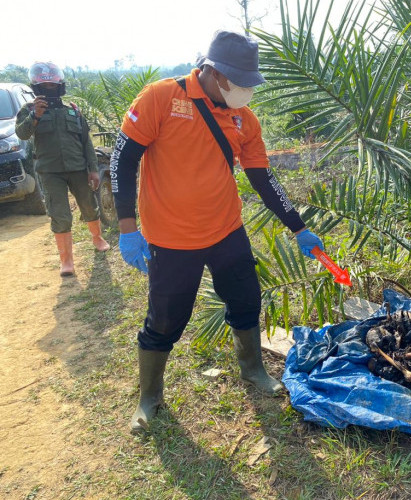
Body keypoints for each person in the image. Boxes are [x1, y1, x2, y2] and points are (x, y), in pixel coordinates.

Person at [110, 30, 325, 433]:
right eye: (240, 83)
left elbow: (262, 177)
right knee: (165, 318)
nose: (246, 91)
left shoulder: (244, 117)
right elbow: (123, 162)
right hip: (170, 237)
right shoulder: (160, 97)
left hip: (226, 228)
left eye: (250, 84)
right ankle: (149, 397)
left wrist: (298, 227)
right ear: (214, 72)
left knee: (246, 299)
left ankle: (252, 370)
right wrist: (127, 228)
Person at [15, 62, 110, 276]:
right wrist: (35, 116)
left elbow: (85, 141)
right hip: (50, 172)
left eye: (52, 84)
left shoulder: (73, 110)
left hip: (78, 168)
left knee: (88, 206)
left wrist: (93, 169)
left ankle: (97, 238)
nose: (48, 88)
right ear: (37, 87)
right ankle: (66, 261)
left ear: (59, 85)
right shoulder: (29, 109)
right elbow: (22, 134)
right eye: (44, 85)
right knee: (60, 214)